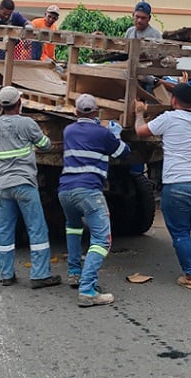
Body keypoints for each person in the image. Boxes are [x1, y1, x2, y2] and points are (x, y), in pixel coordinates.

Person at [134, 83, 191, 290]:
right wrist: (181, 86)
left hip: (177, 184)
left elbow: (140, 131)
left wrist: (139, 112)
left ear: (173, 100)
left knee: (181, 231)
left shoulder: (168, 119)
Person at [0, 86, 61, 289]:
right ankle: (40, 275)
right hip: (25, 184)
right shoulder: (27, 123)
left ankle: (6, 275)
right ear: (19, 104)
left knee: (5, 231)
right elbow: (45, 145)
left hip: (2, 187)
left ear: (1, 105)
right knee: (37, 229)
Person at [59, 93, 131, 307]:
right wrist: (115, 134)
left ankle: (74, 273)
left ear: (76, 112)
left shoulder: (68, 130)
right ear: (96, 112)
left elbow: (84, 134)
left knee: (73, 228)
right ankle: (87, 289)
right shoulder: (103, 134)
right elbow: (123, 153)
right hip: (89, 191)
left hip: (65, 190)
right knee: (101, 240)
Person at [0, 0, 33, 85]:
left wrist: (28, 27)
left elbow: (28, 23)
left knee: (5, 69)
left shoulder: (16, 16)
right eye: (4, 14)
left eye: (9, 14)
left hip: (8, 49)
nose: (6, 16)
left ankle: (4, 83)